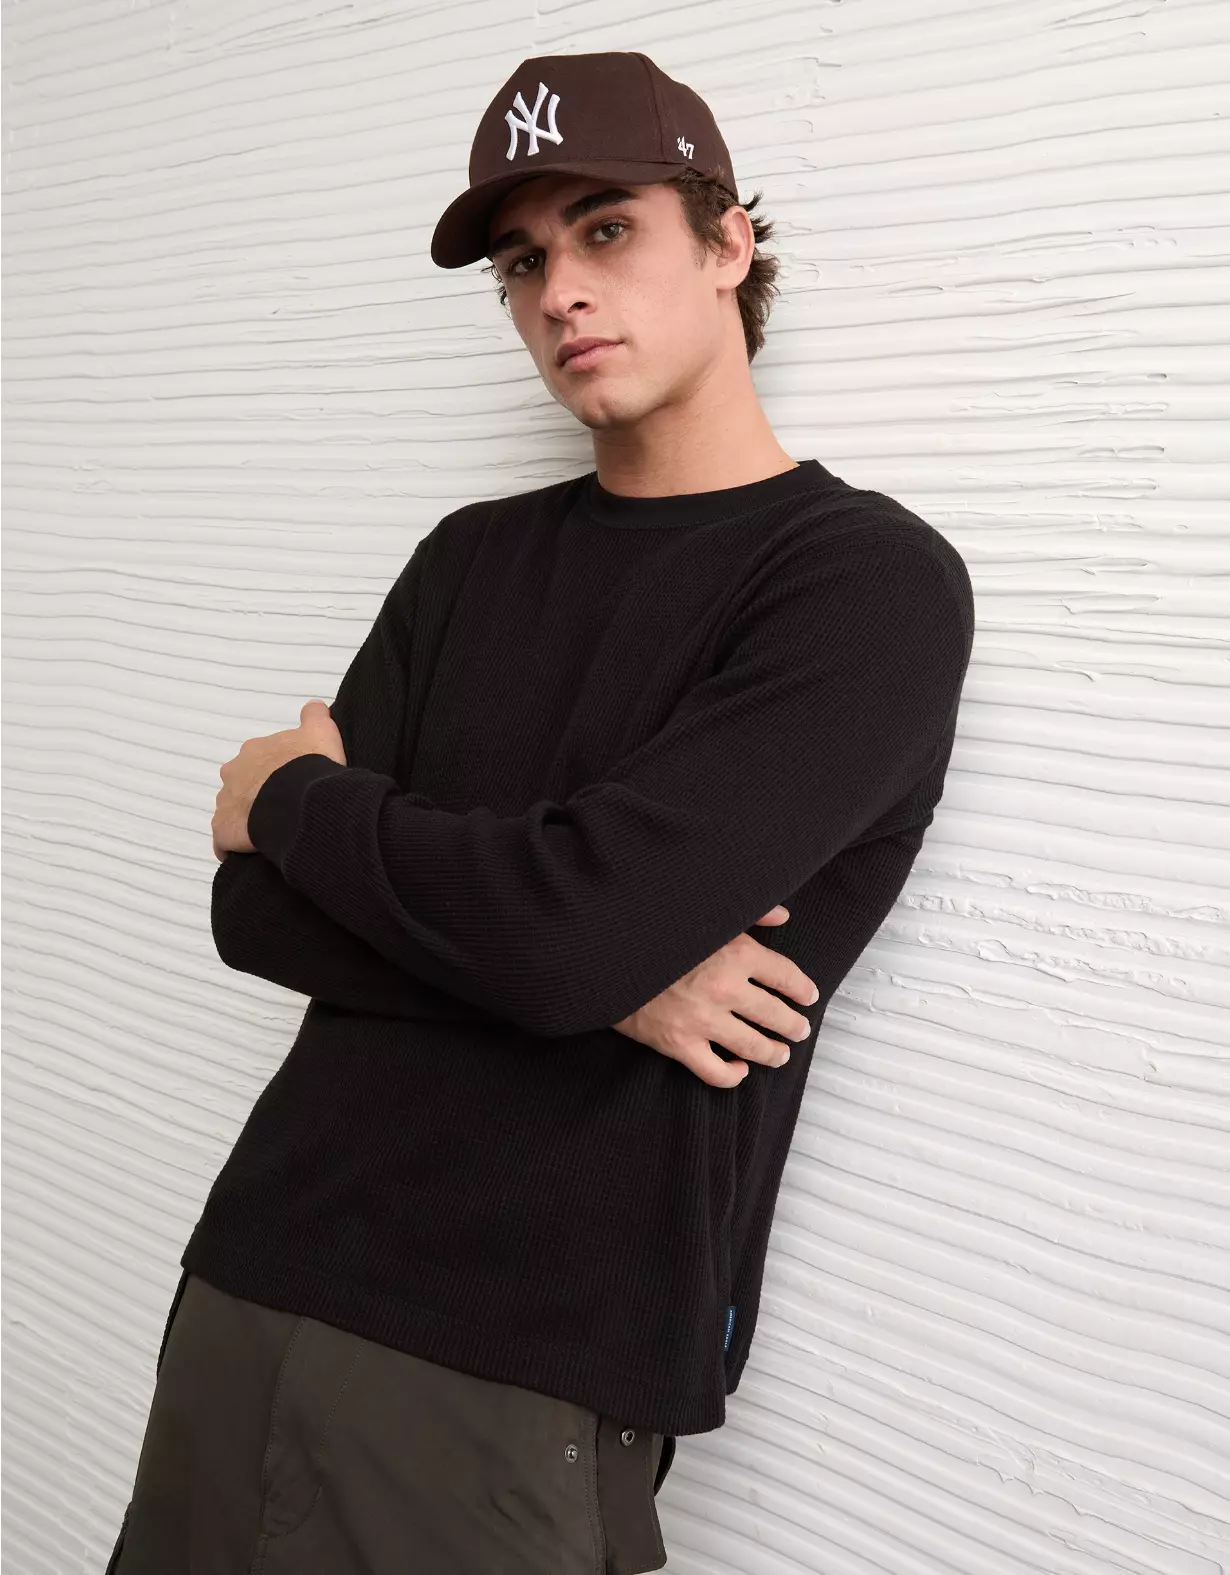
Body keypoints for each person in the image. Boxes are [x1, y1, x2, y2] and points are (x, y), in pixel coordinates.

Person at [106, 49, 975, 1575]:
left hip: (514, 1357)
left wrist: (294, 797)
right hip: (253, 1273)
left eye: (605, 229)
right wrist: (602, 974)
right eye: (521, 261)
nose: (559, 289)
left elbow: (557, 928)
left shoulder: (861, 583)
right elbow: (254, 912)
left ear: (726, 242)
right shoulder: (467, 561)